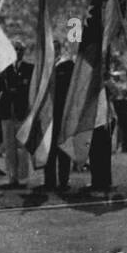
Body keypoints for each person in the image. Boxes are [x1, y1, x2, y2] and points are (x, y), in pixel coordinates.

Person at [0, 41, 33, 186]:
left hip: (21, 112)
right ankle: (12, 177)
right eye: (15, 49)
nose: (17, 52)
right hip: (7, 112)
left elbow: (29, 89)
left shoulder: (29, 68)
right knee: (9, 146)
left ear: (23, 51)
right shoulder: (4, 69)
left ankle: (23, 177)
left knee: (22, 147)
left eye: (20, 49)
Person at [43, 51, 75, 193]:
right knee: (49, 150)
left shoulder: (68, 65)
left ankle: (63, 180)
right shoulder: (44, 65)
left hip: (63, 113)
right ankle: (49, 181)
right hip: (48, 114)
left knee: (63, 148)